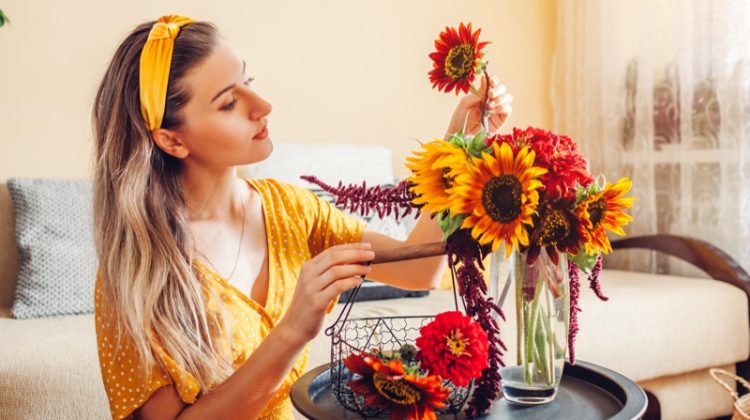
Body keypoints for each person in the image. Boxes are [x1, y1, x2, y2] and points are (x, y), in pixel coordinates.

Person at [91, 15, 512, 420]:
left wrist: (459, 144)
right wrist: (293, 331)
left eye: (248, 81)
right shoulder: (132, 277)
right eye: (229, 103)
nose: (262, 106)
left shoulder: (291, 210)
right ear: (172, 139)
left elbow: (417, 269)